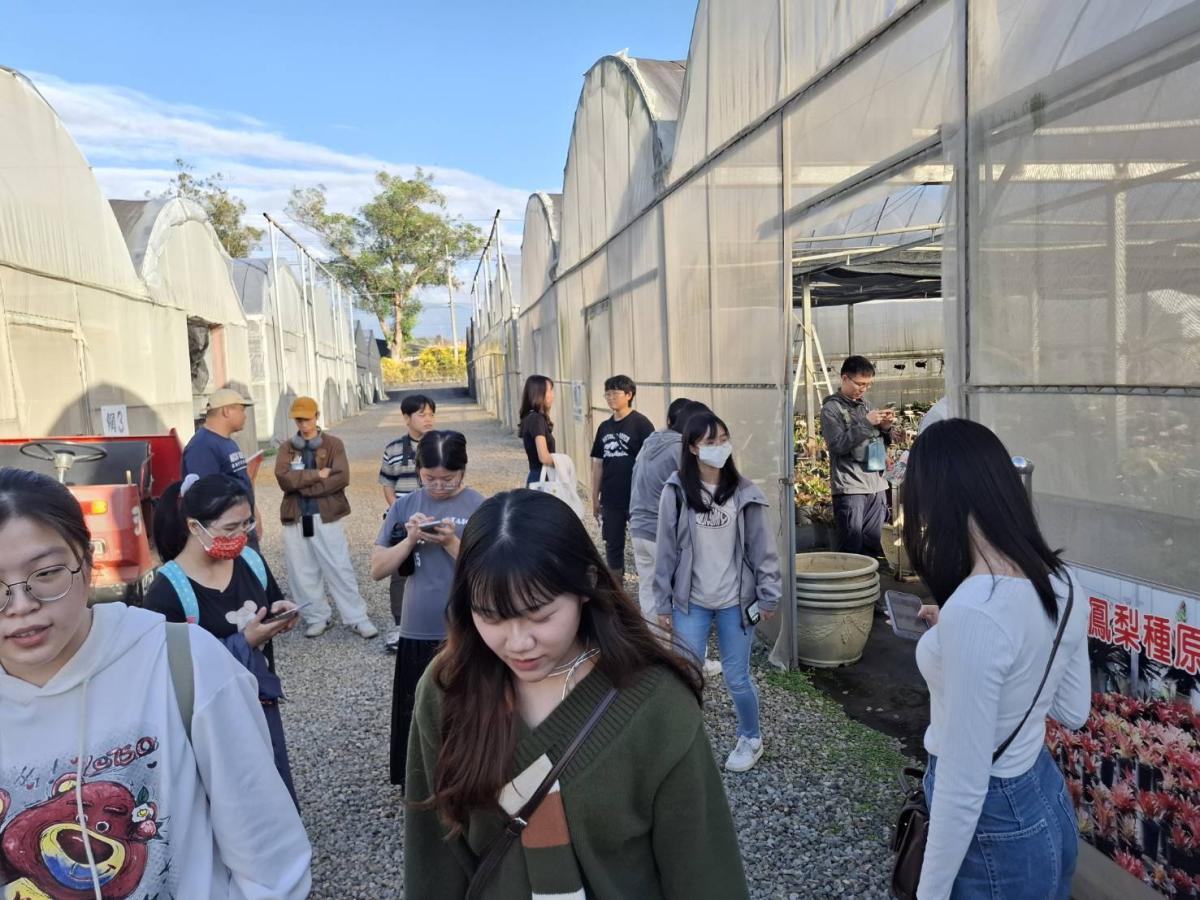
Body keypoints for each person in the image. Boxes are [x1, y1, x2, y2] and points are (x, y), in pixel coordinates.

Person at [405, 489, 750, 899]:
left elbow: (703, 869)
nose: (518, 643)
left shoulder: (656, 704)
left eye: (539, 615)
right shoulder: (448, 689)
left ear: (586, 583)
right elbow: (432, 857)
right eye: (490, 617)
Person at [0, 467, 311, 897]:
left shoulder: (183, 663)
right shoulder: (170, 587)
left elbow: (272, 864)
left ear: (87, 562)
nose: (20, 605)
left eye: (46, 573)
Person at [903, 419, 1090, 899]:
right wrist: (956, 633)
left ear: (938, 500)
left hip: (994, 824)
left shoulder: (976, 612)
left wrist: (929, 893)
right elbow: (1073, 710)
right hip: (1044, 797)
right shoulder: (1065, 581)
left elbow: (964, 786)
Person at [145, 472, 301, 806]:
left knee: (271, 788)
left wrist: (279, 611)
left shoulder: (250, 561)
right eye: (230, 528)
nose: (240, 536)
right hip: (208, 723)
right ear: (194, 526)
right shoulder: (167, 590)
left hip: (260, 703)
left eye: (246, 524)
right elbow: (167, 673)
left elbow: (269, 600)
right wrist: (245, 641)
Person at [653, 410, 782, 773]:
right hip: (690, 603)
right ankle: (684, 739)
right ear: (693, 448)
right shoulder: (677, 491)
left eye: (724, 439)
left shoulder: (745, 493)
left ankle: (751, 737)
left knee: (736, 677)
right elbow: (665, 552)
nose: (720, 447)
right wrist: (662, 602)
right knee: (687, 675)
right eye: (710, 441)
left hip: (734, 604)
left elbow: (763, 549)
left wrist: (769, 594)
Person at [369, 430, 483, 790]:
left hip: (467, 628)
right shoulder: (405, 507)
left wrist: (451, 542)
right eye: (429, 478)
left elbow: (492, 568)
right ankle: (419, 782)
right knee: (418, 713)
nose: (438, 486)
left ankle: (467, 782)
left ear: (463, 471)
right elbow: (377, 569)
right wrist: (410, 539)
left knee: (467, 712)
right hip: (417, 627)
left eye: (448, 479)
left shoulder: (479, 506)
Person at [274, 396, 378, 640]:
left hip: (325, 515)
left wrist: (301, 486)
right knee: (301, 570)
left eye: (307, 419)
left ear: (317, 416)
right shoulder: (286, 448)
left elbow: (340, 478)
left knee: (339, 566)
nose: (304, 424)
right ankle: (316, 617)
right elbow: (284, 479)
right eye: (299, 420)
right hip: (296, 516)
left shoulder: (334, 444)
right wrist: (317, 475)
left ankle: (357, 617)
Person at [628, 398, 708, 623]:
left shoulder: (650, 442)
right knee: (677, 594)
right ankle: (681, 644)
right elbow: (695, 491)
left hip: (639, 528)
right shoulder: (680, 448)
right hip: (662, 532)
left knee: (649, 590)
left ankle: (656, 641)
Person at [819, 355, 902, 557]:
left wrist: (885, 427)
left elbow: (877, 441)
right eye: (860, 384)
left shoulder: (866, 406)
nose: (864, 389)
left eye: (868, 384)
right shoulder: (831, 409)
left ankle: (870, 579)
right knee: (851, 548)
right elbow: (838, 445)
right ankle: (849, 579)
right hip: (851, 487)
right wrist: (866, 423)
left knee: (872, 545)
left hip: (877, 485)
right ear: (844, 378)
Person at [378, 393, 438, 652]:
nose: (428, 419)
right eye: (422, 415)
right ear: (406, 418)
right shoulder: (393, 449)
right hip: (403, 522)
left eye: (431, 414)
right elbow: (387, 485)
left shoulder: (441, 446)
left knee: (437, 569)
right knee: (401, 572)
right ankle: (400, 624)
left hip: (435, 518)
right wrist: (400, 515)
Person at [589, 374, 655, 579]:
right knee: (612, 545)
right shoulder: (604, 427)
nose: (610, 398)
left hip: (637, 497)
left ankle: (649, 586)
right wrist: (595, 497)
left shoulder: (641, 424)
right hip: (611, 497)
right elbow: (598, 464)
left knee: (644, 544)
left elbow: (651, 462)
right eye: (607, 394)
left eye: (615, 393)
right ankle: (617, 590)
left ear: (629, 395)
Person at [182, 387, 262, 544]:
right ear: (226, 411)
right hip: (228, 534)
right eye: (241, 410)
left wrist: (254, 513)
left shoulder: (227, 442)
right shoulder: (202, 447)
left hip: (241, 526)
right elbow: (205, 499)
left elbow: (242, 481)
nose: (245, 416)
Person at [518, 374, 556, 484]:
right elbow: (543, 457)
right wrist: (564, 462)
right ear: (539, 394)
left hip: (538, 477)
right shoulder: (536, 419)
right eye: (549, 391)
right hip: (541, 480)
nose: (552, 396)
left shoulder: (531, 417)